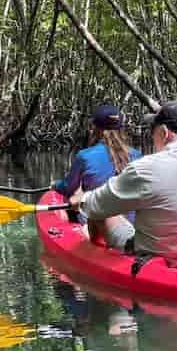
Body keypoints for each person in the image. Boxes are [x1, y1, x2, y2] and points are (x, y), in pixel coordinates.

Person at [70, 100, 177, 264]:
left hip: (154, 256)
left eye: (153, 130)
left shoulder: (144, 169)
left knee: (102, 214)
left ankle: (94, 258)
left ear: (164, 132)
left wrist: (82, 200)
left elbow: (97, 205)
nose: (152, 135)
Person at [54, 104, 141, 249]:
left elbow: (68, 188)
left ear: (94, 128)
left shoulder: (84, 156)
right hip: (132, 228)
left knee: (72, 205)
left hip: (98, 228)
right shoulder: (137, 155)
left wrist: (55, 185)